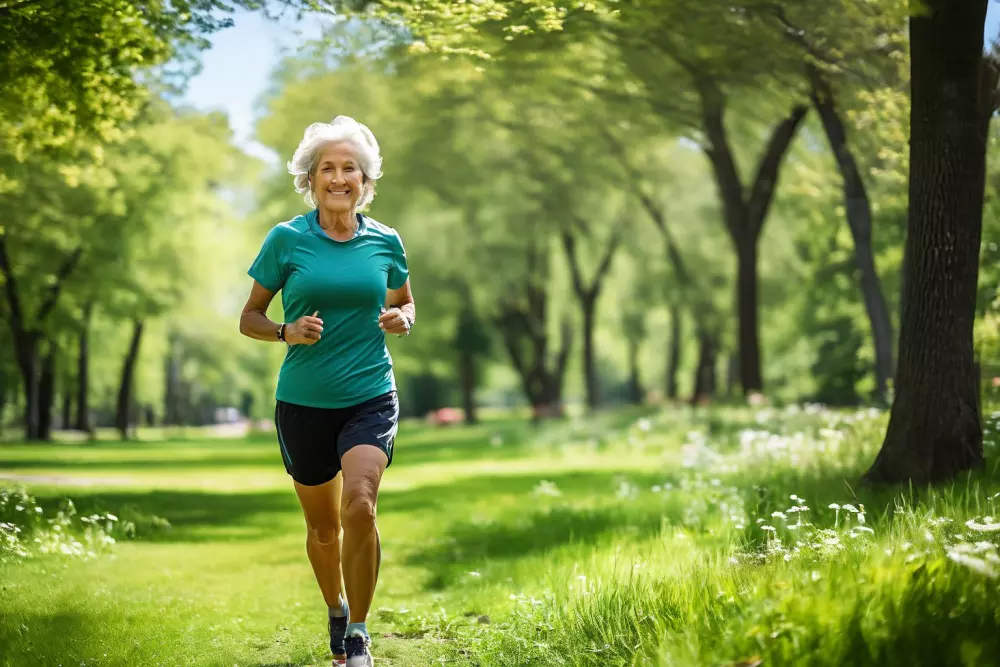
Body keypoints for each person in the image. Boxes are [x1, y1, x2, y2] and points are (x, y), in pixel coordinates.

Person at [239, 115, 414, 667]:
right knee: (323, 527)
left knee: (360, 505)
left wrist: (403, 317)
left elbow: (405, 300)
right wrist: (285, 331)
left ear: (365, 181)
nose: (339, 178)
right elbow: (249, 316)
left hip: (369, 393)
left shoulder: (386, 241)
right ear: (310, 180)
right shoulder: (287, 239)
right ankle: (336, 607)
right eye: (327, 169)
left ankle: (359, 634)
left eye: (349, 169)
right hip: (303, 403)